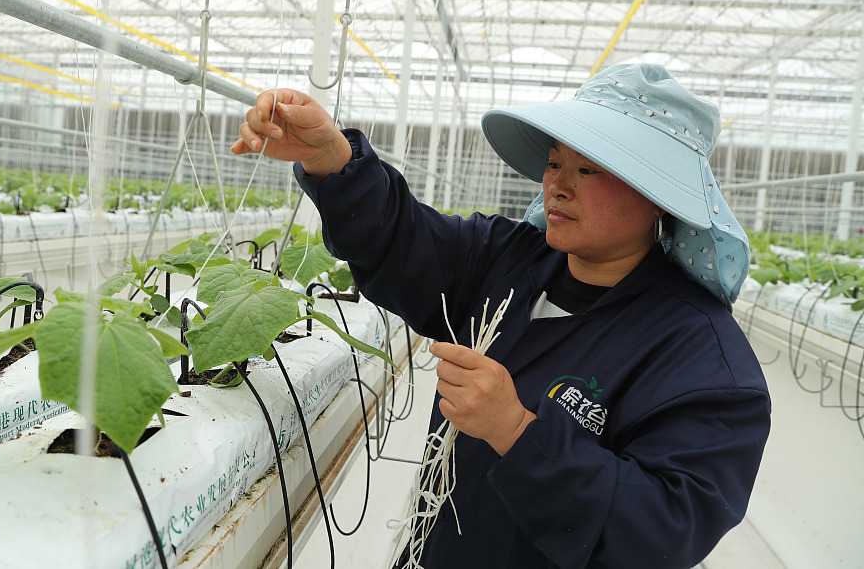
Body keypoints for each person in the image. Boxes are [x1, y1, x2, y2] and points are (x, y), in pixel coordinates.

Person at [231, 63, 770, 569]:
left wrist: (516, 431)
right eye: (555, 162)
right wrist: (332, 157)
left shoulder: (705, 363)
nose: (558, 183)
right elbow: (403, 238)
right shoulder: (508, 258)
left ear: (660, 197)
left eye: (589, 168)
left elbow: (666, 529)